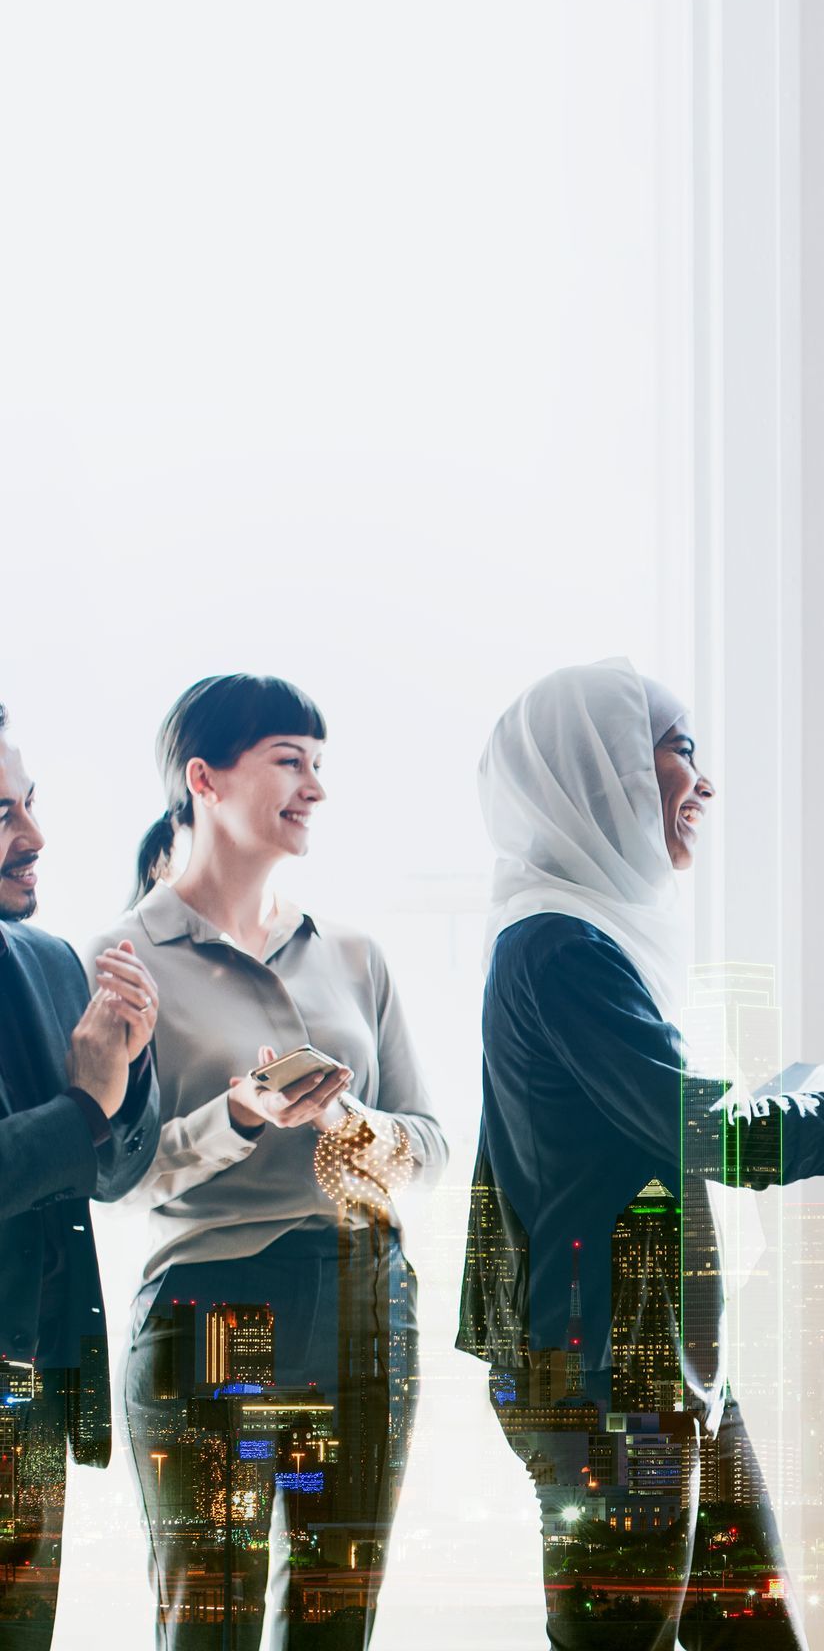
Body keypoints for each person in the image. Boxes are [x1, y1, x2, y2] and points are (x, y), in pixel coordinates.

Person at [458, 658, 824, 1651]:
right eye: (680, 748)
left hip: (661, 1359)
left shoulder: (598, 939)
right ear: (598, 767)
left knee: (754, 1633)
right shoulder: (560, 948)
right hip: (609, 1377)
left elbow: (704, 1117)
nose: (705, 782)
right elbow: (724, 1133)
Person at [96, 674, 447, 1651]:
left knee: (337, 1624)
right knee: (209, 1624)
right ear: (203, 779)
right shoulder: (122, 960)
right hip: (212, 1307)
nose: (315, 787)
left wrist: (348, 1122)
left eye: (319, 764)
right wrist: (239, 1114)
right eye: (290, 760)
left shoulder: (356, 955)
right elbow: (116, 1176)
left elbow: (430, 1146)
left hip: (367, 1306)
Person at [0, 702, 161, 1650]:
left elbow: (111, 1175)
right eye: (2, 815)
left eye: (30, 802)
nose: (34, 836)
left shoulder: (53, 961)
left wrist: (127, 1067)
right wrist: (85, 1103)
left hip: (33, 1403)